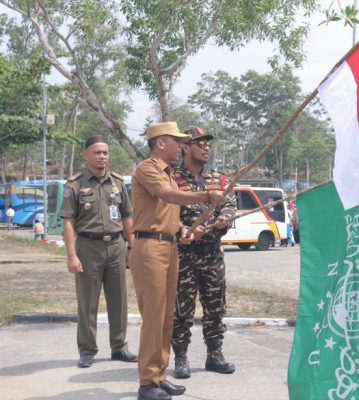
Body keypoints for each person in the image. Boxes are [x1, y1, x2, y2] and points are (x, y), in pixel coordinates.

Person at [129, 121, 227, 400]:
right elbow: (168, 196)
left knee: (166, 316)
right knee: (153, 317)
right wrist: (207, 194)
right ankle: (147, 381)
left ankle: (159, 375)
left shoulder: (169, 173)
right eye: (177, 140)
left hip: (169, 245)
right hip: (150, 247)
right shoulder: (148, 168)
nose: (182, 145)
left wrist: (184, 230)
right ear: (161, 143)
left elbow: (168, 212)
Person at [60, 135, 137, 369]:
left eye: (105, 152)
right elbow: (68, 222)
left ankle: (119, 347)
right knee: (87, 301)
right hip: (88, 247)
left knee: (119, 300)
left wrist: (132, 247)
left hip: (115, 247)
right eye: (97, 152)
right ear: (86, 154)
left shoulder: (118, 183)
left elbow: (127, 217)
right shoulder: (74, 185)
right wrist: (72, 255)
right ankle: (87, 350)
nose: (102, 156)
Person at [171, 127, 235, 379]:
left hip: (212, 254)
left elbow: (230, 206)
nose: (205, 147)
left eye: (207, 143)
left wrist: (223, 219)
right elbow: (166, 209)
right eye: (199, 143)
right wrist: (182, 228)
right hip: (184, 254)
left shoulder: (219, 179)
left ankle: (214, 355)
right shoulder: (173, 178)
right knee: (182, 310)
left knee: (215, 307)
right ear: (186, 147)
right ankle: (181, 357)